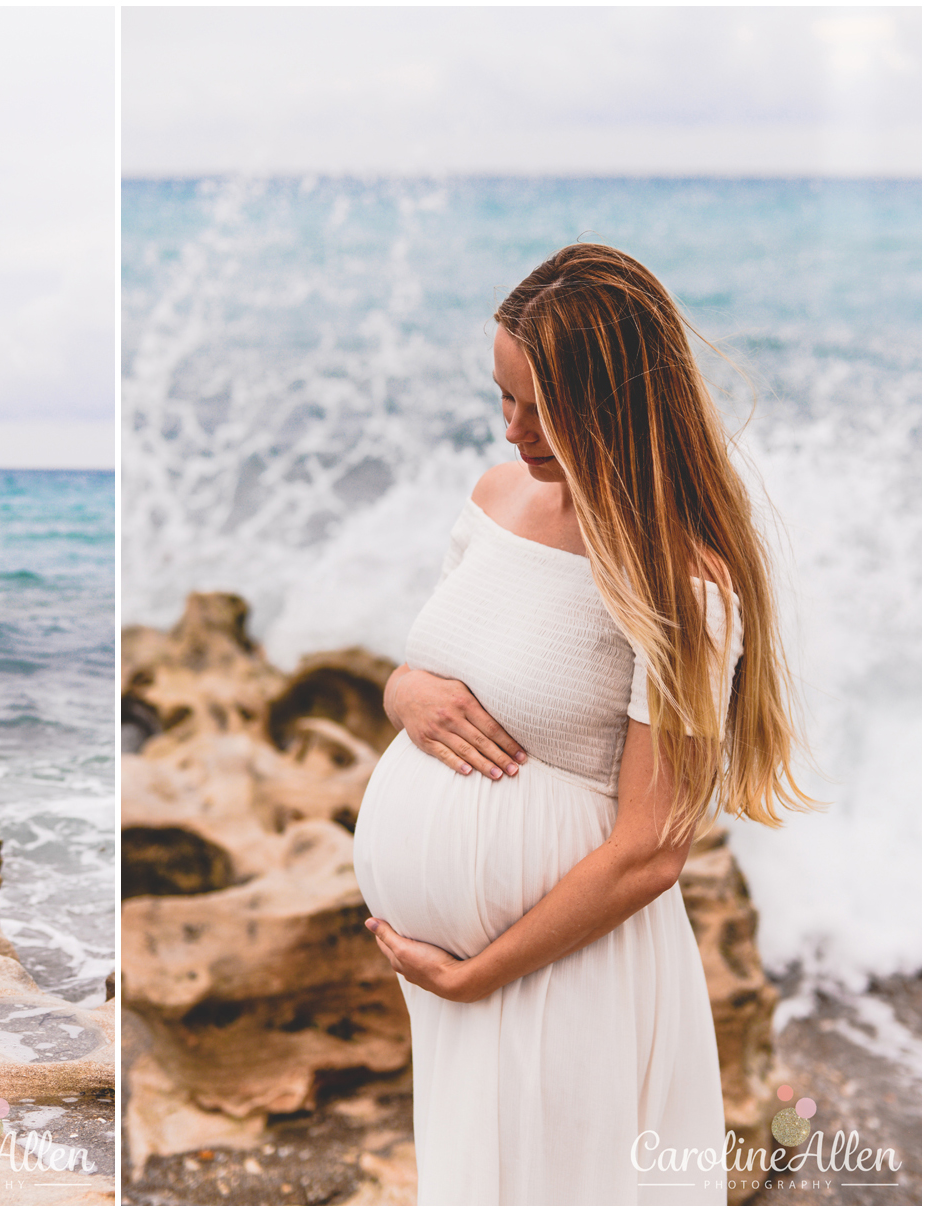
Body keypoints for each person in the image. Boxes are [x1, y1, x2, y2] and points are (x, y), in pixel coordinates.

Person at [351, 243, 817, 1203]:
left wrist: (481, 973)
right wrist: (404, 696)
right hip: (456, 986)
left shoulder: (683, 582)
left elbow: (651, 851)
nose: (515, 428)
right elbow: (428, 669)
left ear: (613, 403)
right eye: (503, 397)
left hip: (560, 975)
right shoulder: (492, 500)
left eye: (541, 404)